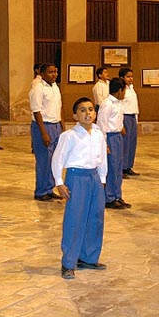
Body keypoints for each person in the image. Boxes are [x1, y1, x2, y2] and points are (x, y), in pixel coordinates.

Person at [52, 97, 108, 279]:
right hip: (77, 178)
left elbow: (102, 158)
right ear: (75, 115)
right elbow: (57, 159)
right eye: (82, 110)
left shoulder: (99, 134)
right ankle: (69, 262)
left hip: (94, 177)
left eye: (91, 109)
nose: (88, 113)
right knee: (75, 219)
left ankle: (89, 257)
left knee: (95, 219)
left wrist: (102, 178)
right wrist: (59, 181)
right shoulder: (69, 136)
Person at [30, 62, 64, 201]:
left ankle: (49, 188)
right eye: (50, 72)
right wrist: (44, 133)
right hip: (43, 126)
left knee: (54, 159)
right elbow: (37, 111)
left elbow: (59, 107)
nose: (54, 74)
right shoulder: (38, 88)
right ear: (42, 74)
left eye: (55, 71)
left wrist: (62, 125)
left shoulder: (55, 87)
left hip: (55, 125)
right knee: (44, 160)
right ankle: (41, 191)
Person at [97, 77, 130, 210]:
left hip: (117, 136)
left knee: (118, 167)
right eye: (124, 91)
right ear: (119, 91)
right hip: (109, 137)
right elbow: (101, 124)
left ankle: (117, 195)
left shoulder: (118, 103)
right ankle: (109, 197)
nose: (125, 94)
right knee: (110, 167)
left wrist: (121, 127)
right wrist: (104, 144)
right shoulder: (107, 104)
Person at [119, 67, 140, 178]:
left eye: (131, 76)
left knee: (132, 143)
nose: (130, 79)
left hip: (132, 116)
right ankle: (121, 168)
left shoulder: (132, 89)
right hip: (125, 117)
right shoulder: (122, 90)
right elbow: (120, 107)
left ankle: (128, 166)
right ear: (122, 78)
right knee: (124, 144)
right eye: (128, 76)